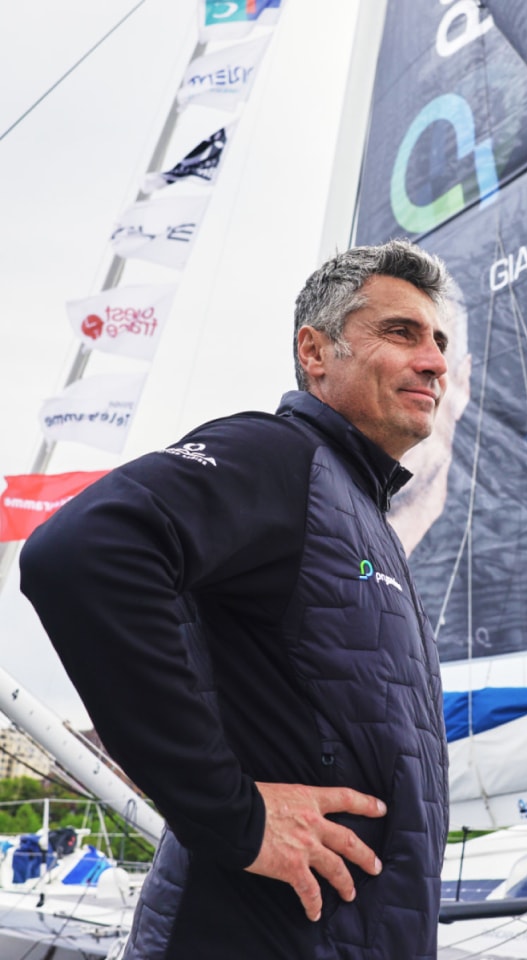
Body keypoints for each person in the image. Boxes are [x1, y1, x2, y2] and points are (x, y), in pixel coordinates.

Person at [20, 240, 454, 959]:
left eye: (438, 341)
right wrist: (237, 818)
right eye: (401, 333)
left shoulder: (361, 511)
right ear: (315, 353)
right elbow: (82, 551)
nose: (434, 360)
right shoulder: (282, 459)